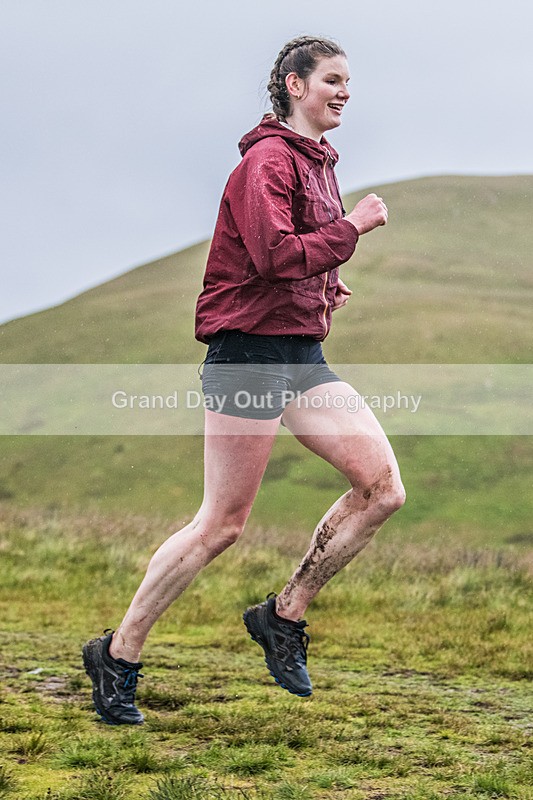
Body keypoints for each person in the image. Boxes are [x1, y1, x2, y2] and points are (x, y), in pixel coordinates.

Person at [83, 35, 406, 725]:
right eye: (331, 79)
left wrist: (326, 282)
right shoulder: (266, 160)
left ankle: (281, 614)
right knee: (220, 526)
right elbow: (270, 256)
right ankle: (118, 653)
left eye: (349, 81)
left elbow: (294, 257)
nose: (344, 91)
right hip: (248, 357)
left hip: (299, 353)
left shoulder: (318, 164)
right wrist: (351, 229)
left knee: (381, 489)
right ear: (294, 85)